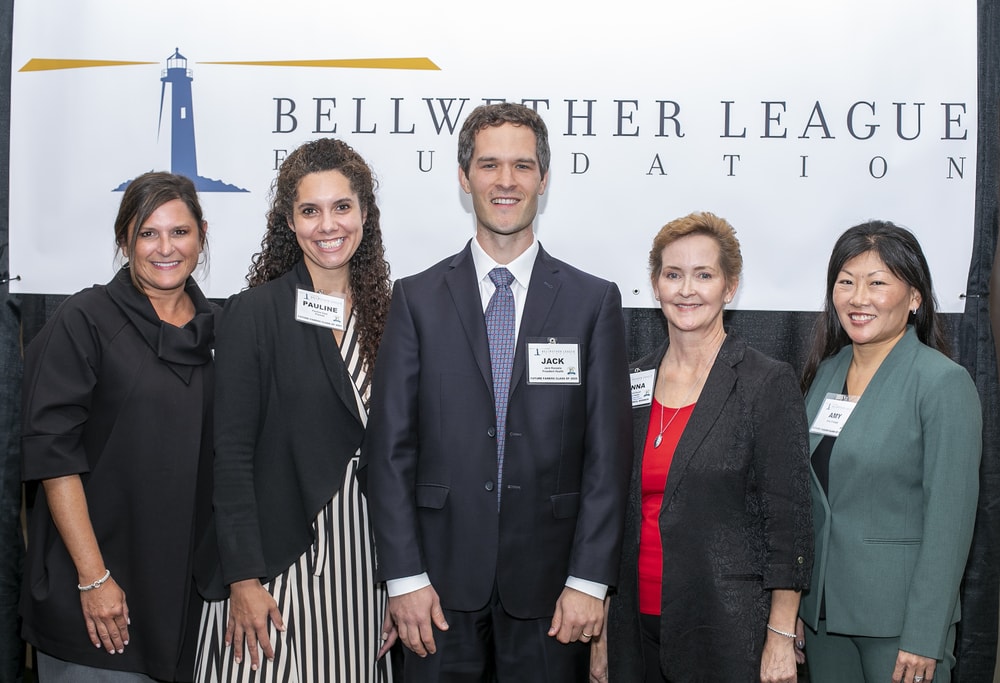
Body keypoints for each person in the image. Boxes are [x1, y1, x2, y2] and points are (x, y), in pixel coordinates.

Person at [363, 102, 633, 681]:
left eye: (522, 166)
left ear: (543, 178)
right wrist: (404, 579)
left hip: (554, 594)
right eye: (489, 165)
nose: (505, 181)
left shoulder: (593, 302)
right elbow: (388, 453)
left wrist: (589, 581)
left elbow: (608, 461)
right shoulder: (416, 299)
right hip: (434, 592)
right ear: (465, 178)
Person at [194, 138, 394, 683]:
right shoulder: (253, 314)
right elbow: (230, 455)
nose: (328, 225)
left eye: (342, 207)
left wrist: (401, 580)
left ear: (365, 213)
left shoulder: (391, 318)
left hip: (362, 567)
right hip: (273, 567)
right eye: (310, 210)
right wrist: (242, 578)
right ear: (289, 220)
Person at [595, 212, 813, 683]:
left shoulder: (765, 382)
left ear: (730, 286)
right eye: (673, 275)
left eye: (704, 275)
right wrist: (602, 633)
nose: (686, 290)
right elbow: (611, 512)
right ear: (655, 286)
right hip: (634, 625)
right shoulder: (630, 379)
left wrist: (778, 635)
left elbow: (789, 524)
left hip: (727, 629)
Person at [20, 172, 216, 682]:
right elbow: (52, 456)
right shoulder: (85, 319)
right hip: (100, 604)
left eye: (179, 231)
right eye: (147, 233)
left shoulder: (221, 328)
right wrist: (93, 578)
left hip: (187, 611)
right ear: (123, 241)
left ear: (202, 234)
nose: (165, 248)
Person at [797, 221, 981, 683]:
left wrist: (924, 635)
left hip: (900, 628)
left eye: (877, 282)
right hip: (825, 617)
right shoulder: (826, 372)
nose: (858, 298)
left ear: (914, 298)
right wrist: (798, 604)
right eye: (846, 282)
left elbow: (950, 523)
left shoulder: (942, 383)